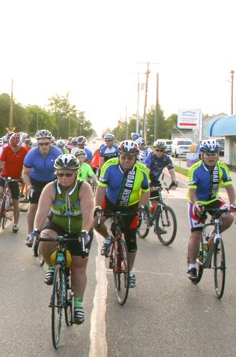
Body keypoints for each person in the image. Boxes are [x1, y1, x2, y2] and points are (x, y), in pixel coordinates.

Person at [32, 153, 95, 324]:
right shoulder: (50, 188)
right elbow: (42, 211)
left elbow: (89, 214)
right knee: (45, 238)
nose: (64, 178)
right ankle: (52, 266)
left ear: (76, 173)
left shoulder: (84, 188)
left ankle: (78, 305)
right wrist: (36, 230)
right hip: (57, 225)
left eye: (68, 174)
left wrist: (85, 232)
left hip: (79, 229)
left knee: (78, 266)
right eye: (60, 174)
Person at [92, 139, 150, 289]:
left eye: (130, 158)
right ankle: (107, 238)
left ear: (135, 158)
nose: (126, 161)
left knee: (131, 241)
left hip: (131, 206)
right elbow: (101, 189)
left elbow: (146, 191)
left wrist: (142, 207)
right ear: (119, 155)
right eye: (123, 157)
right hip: (110, 202)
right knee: (96, 222)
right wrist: (97, 207)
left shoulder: (142, 170)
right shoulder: (109, 166)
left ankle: (130, 271)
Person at [185, 139, 236, 283]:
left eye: (214, 154)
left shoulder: (222, 168)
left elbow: (229, 188)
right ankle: (192, 266)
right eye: (208, 154)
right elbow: (191, 193)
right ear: (202, 154)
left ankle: (212, 236)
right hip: (197, 201)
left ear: (218, 154)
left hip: (214, 199)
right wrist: (197, 204)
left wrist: (233, 204)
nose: (211, 157)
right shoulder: (195, 169)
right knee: (196, 234)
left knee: (229, 218)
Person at [23, 130, 62, 245]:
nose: (44, 146)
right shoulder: (32, 154)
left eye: (46, 143)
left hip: (52, 181)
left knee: (56, 207)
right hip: (36, 181)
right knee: (33, 207)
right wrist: (29, 186)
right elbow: (25, 173)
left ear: (50, 143)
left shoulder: (57, 152)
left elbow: (63, 171)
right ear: (37, 144)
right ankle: (30, 234)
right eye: (41, 144)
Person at [0, 131, 28, 233]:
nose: (13, 148)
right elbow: (1, 161)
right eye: (12, 146)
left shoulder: (24, 151)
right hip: (5, 175)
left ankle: (15, 224)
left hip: (16, 178)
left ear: (20, 144)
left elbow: (26, 165)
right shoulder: (7, 149)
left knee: (15, 202)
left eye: (16, 146)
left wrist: (23, 176)